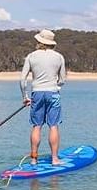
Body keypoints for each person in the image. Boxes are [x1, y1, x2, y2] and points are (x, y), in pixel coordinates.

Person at [20, 29, 66, 165]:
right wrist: (56, 86)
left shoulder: (31, 56)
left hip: (37, 93)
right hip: (53, 92)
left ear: (39, 41)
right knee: (53, 126)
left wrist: (25, 97)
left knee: (37, 126)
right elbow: (62, 80)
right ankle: (55, 159)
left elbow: (22, 80)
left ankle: (34, 159)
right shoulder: (59, 57)